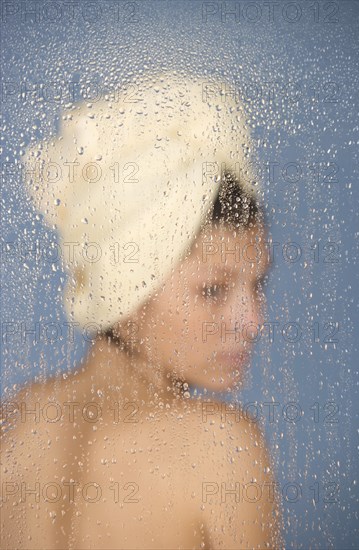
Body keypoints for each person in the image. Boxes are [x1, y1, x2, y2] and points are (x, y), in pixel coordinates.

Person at [1, 71, 283, 549]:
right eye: (213, 291)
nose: (251, 321)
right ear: (126, 295)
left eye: (257, 286)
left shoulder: (16, 421)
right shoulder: (219, 448)